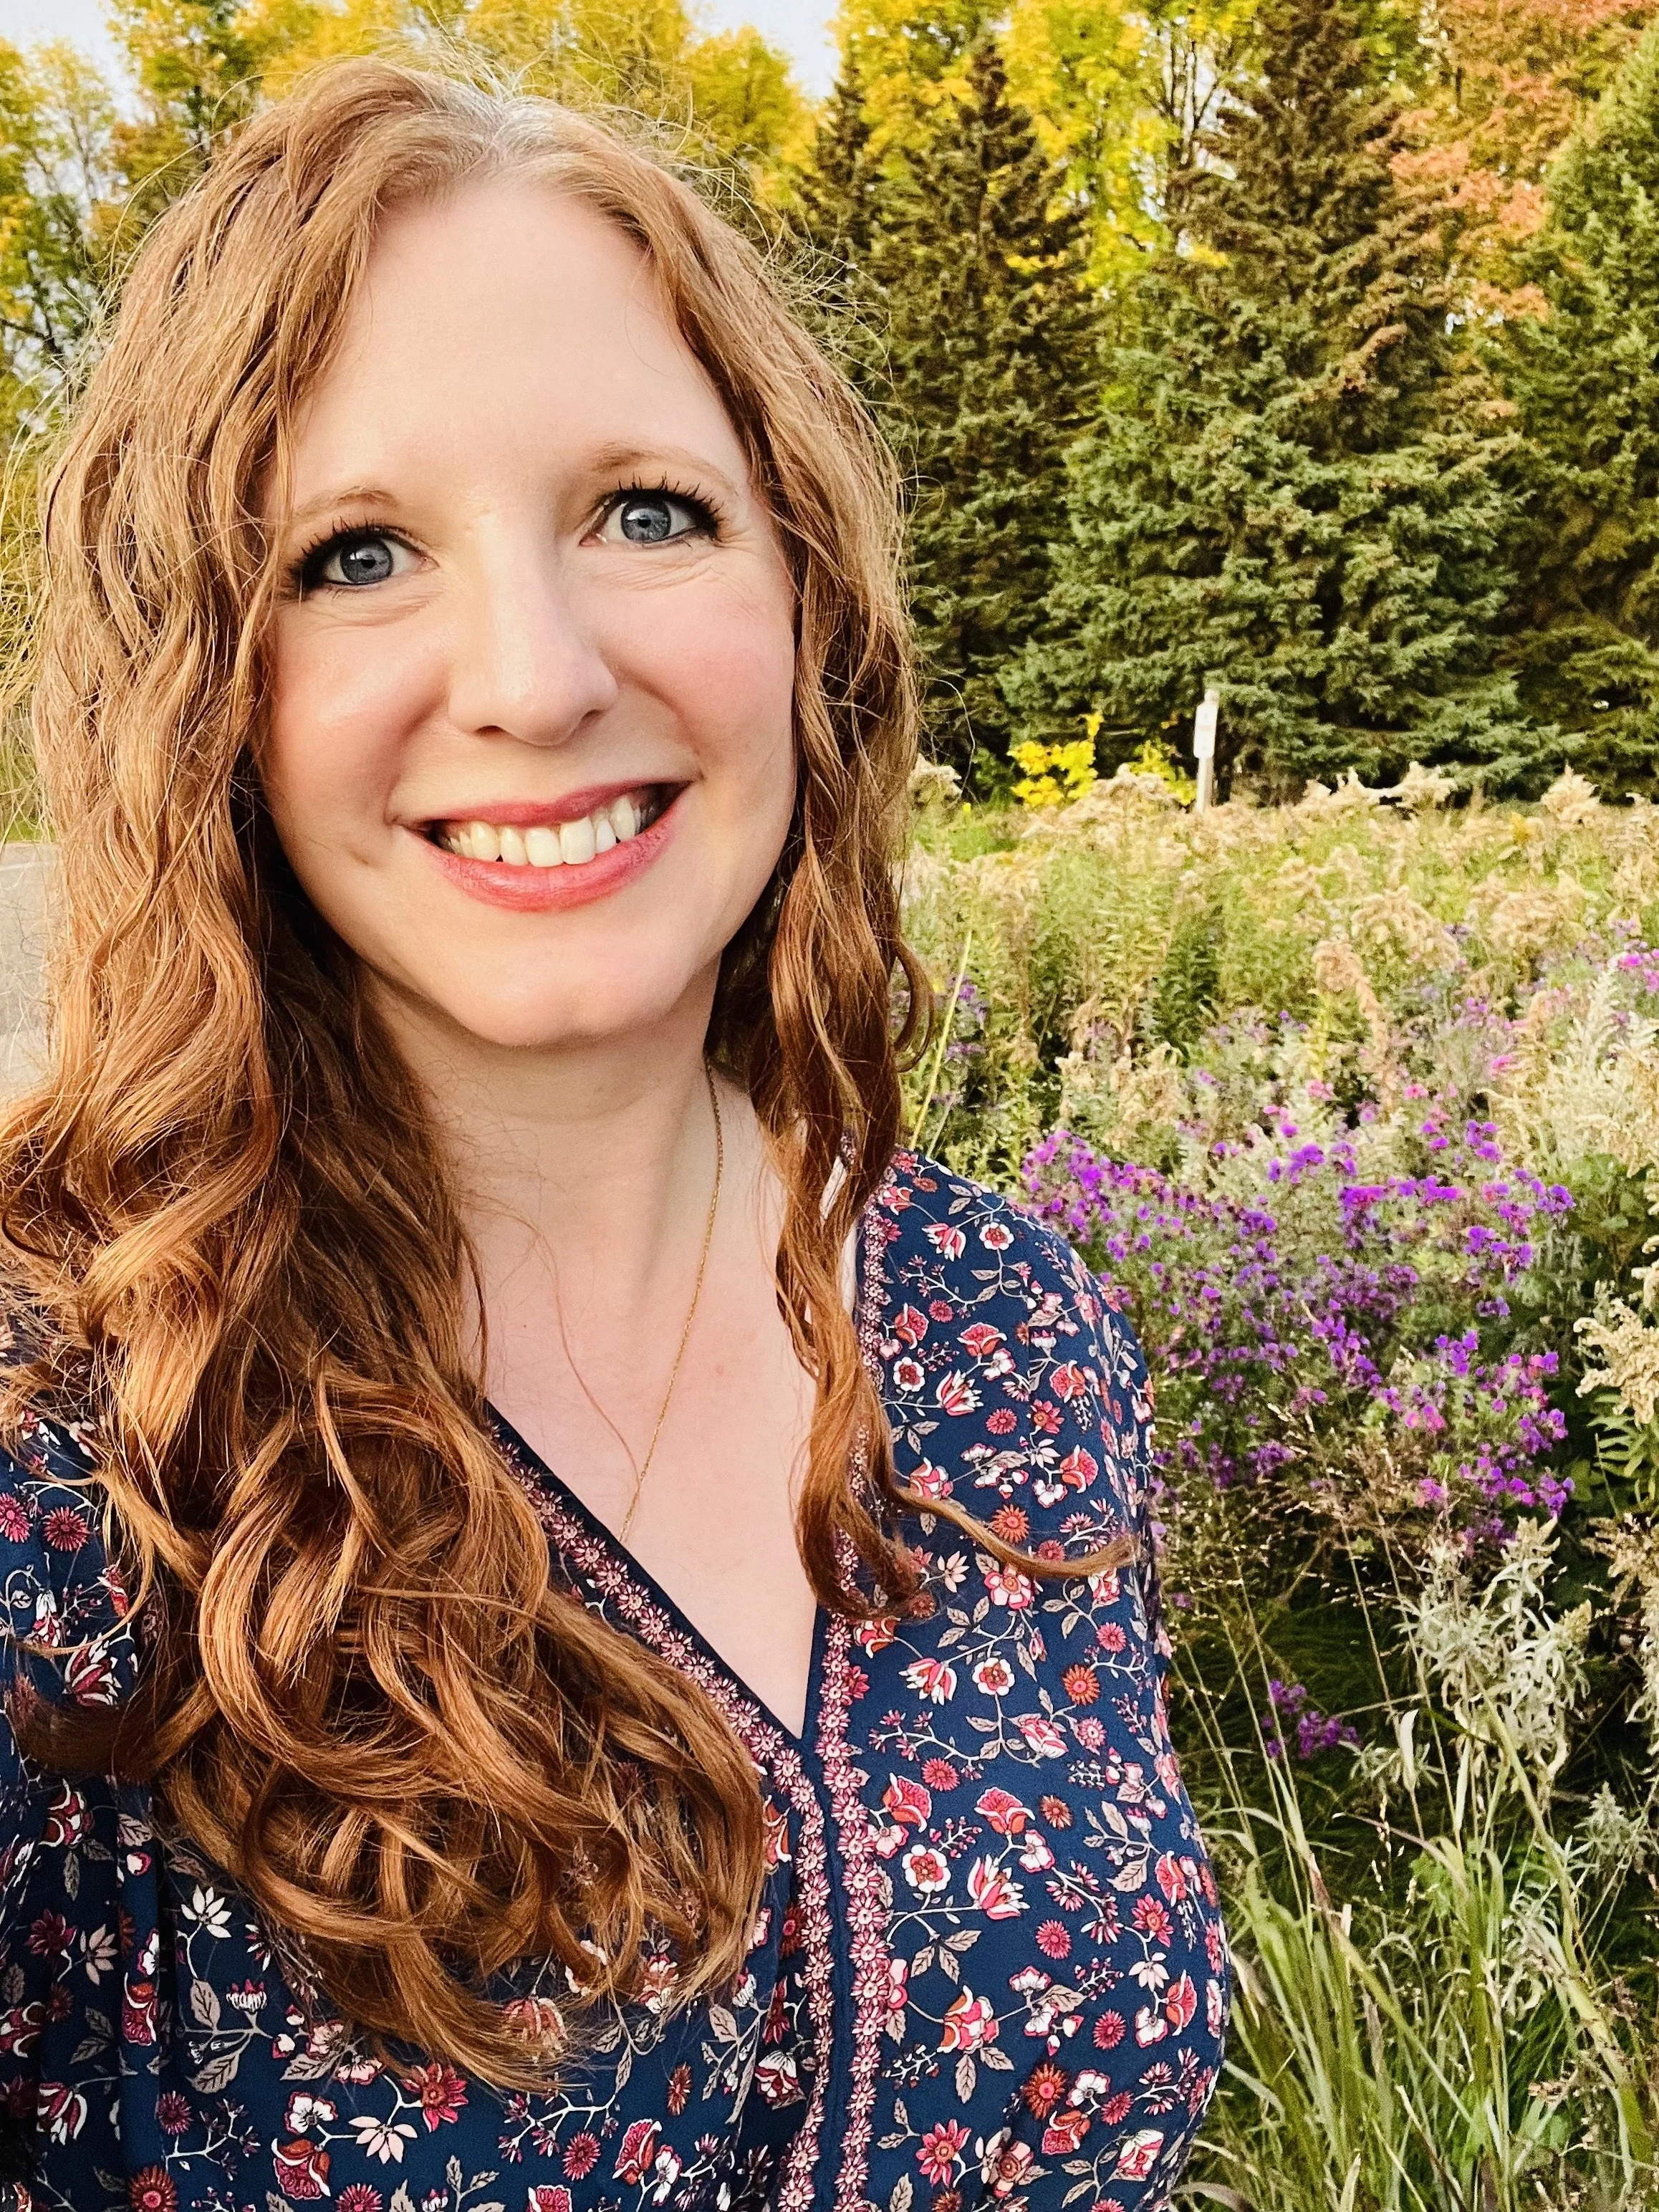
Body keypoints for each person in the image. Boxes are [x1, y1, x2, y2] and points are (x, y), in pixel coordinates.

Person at [0, 62, 1226, 2212]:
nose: (537, 678)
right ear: (203, 692)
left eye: (645, 513)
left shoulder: (1005, 1327)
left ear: (802, 590)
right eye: (354, 555)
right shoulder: (72, 1435)